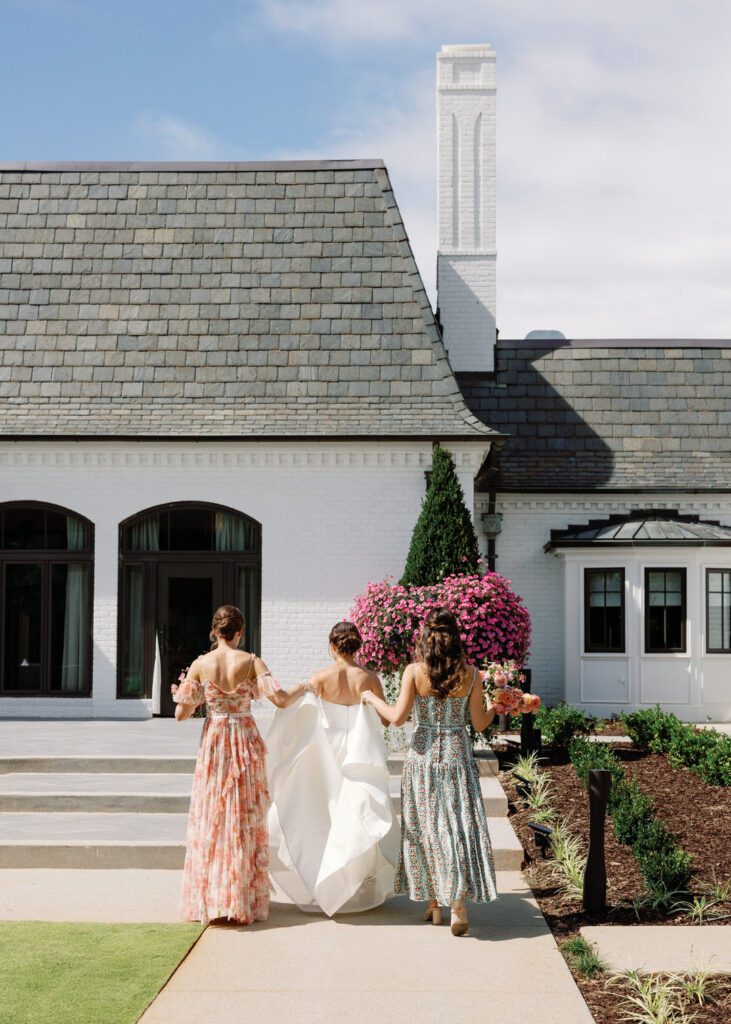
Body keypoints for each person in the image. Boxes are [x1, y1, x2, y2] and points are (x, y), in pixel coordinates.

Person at [362, 606, 498, 936]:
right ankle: (448, 903)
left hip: (422, 759)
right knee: (455, 826)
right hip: (457, 756)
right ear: (456, 636)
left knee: (426, 827)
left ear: (426, 634)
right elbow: (479, 723)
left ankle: (441, 902)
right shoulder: (472, 674)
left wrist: (369, 697)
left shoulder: (414, 671)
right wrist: (496, 706)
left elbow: (395, 717)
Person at [173, 604, 306, 925]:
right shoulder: (251, 662)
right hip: (244, 740)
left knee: (214, 815)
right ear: (240, 632)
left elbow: (181, 714)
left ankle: (214, 897)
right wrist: (305, 686)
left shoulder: (201, 664)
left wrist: (193, 697)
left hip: (216, 741)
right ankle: (241, 897)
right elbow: (281, 700)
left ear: (214, 631)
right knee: (243, 816)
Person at [266, 621, 400, 916]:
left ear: (332, 646)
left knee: (324, 816)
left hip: (327, 754)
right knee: (357, 816)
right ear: (357, 646)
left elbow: (295, 708)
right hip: (359, 753)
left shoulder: (322, 677)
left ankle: (323, 881)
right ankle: (353, 882)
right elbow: (387, 719)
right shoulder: (370, 678)